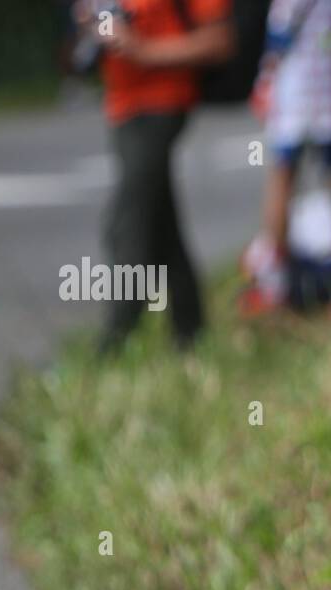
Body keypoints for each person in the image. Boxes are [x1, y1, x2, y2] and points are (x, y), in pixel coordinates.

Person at [87, 0, 235, 353]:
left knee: (126, 222)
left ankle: (115, 338)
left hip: (163, 102)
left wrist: (143, 50)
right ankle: (190, 330)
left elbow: (220, 42)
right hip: (121, 106)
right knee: (160, 221)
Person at [240, 0, 331, 314]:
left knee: (285, 175)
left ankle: (275, 281)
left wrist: (269, 66)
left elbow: (284, 20)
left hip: (301, 77)